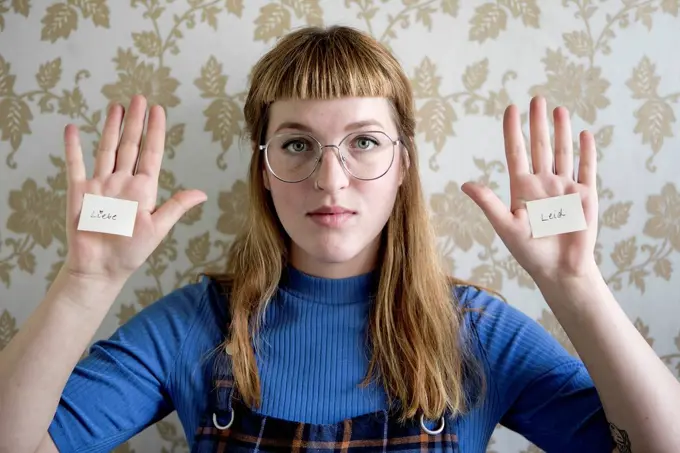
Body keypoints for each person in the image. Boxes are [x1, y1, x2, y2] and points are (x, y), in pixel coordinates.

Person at [0, 25, 678, 453]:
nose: (331, 178)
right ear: (263, 170)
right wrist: (83, 281)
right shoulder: (195, 325)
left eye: (363, 142)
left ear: (403, 165)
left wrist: (577, 286)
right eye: (297, 143)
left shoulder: (474, 332)